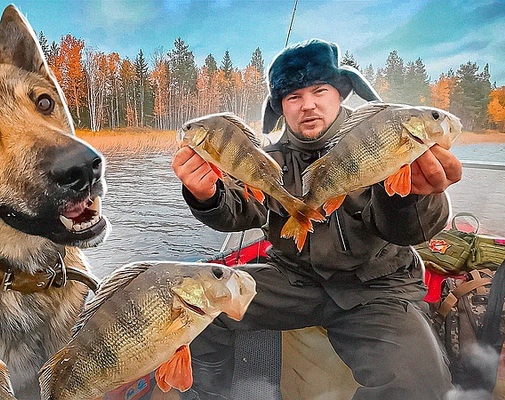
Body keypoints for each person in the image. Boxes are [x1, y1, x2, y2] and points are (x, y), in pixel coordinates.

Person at [171, 38, 462, 400]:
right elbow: (241, 209)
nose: (307, 105)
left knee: (420, 384)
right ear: (280, 108)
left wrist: (413, 196)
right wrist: (207, 195)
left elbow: (405, 231)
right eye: (293, 97)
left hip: (375, 288)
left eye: (319, 90)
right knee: (194, 313)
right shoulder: (267, 160)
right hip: (293, 280)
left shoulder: (380, 141)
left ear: (340, 94)